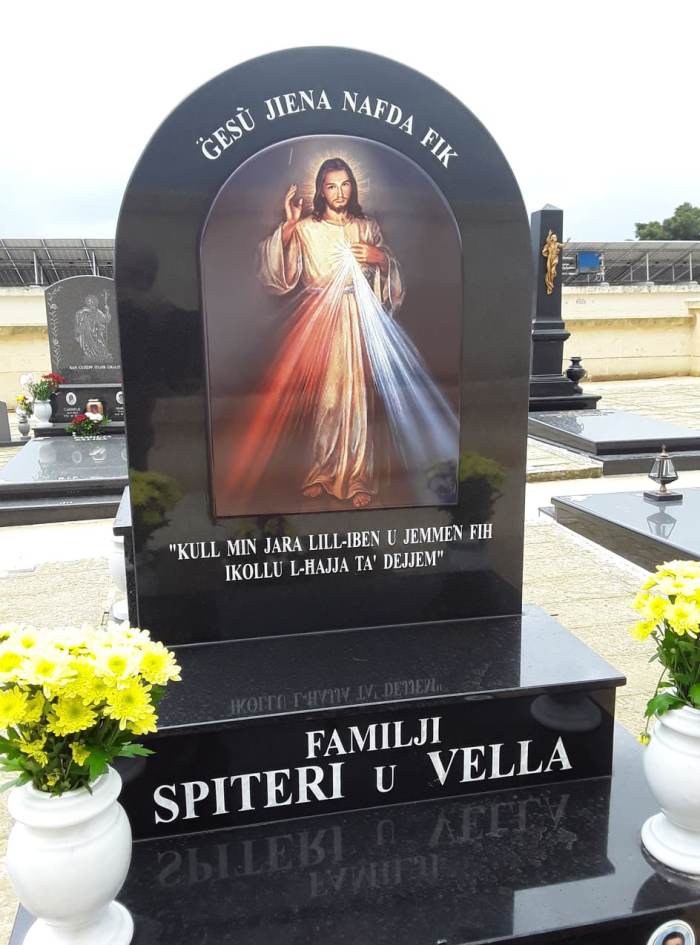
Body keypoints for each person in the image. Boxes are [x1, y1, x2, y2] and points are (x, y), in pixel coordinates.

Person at [227, 157, 404, 509]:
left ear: (353, 186)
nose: (339, 192)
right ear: (321, 190)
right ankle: (321, 471)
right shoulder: (307, 228)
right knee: (326, 399)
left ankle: (358, 477)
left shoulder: (367, 227)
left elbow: (392, 277)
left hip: (360, 320)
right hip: (320, 319)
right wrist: (290, 225)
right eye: (331, 186)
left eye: (345, 184)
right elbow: (273, 271)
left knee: (359, 400)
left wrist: (380, 259)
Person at [74, 294, 112, 362]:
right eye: (89, 302)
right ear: (87, 303)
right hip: (87, 332)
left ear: (95, 302)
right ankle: (90, 355)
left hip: (97, 332)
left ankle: (101, 354)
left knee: (100, 343)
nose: (91, 303)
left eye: (92, 301)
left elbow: (105, 320)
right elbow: (79, 320)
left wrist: (107, 311)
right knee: (88, 346)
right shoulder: (83, 311)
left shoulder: (98, 312)